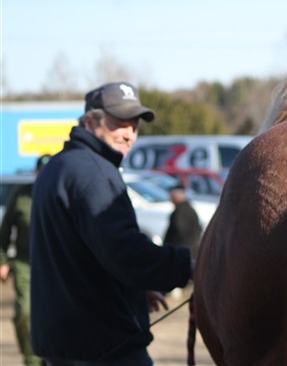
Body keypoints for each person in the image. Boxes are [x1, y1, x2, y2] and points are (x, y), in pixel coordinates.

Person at [30, 82, 193, 366]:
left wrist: (133, 291)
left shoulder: (59, 167)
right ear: (90, 121)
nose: (129, 134)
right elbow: (124, 251)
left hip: (64, 346)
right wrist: (191, 266)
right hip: (102, 349)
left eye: (134, 126)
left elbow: (83, 254)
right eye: (119, 123)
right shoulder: (95, 172)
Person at [0, 154, 50, 366]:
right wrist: (2, 261)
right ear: (36, 172)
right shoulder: (21, 195)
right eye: (41, 171)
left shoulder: (60, 193)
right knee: (26, 312)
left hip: (54, 264)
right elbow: (4, 231)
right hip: (24, 262)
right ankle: (32, 359)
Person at [164, 184, 202, 260]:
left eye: (172, 196)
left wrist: (176, 252)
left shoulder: (181, 211)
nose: (170, 198)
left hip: (182, 254)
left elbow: (182, 234)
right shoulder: (186, 208)